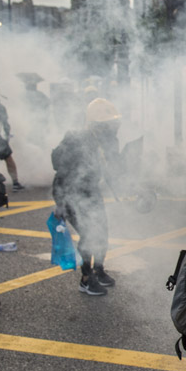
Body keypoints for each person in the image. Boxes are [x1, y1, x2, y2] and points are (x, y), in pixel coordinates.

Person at [51, 98, 123, 296]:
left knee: (101, 233)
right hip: (72, 194)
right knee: (89, 235)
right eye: (108, 124)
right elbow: (61, 172)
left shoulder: (101, 140)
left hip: (90, 191)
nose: (112, 127)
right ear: (95, 124)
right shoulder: (76, 139)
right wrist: (61, 203)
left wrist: (120, 189)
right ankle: (86, 279)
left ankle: (98, 270)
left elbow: (104, 167)